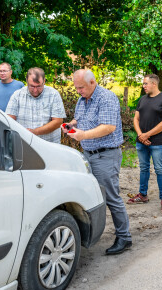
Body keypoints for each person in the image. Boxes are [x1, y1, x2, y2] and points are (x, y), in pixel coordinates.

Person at [63, 69, 132, 255]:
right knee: (91, 194)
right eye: (76, 87)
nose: (78, 91)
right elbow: (81, 118)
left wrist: (83, 135)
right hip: (88, 153)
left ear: (93, 82)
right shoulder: (82, 98)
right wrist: (72, 124)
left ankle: (124, 237)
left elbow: (109, 126)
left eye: (81, 88)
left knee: (110, 196)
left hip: (105, 155)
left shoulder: (106, 98)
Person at [127, 74, 162, 214]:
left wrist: (148, 135)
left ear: (154, 84)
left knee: (159, 169)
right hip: (141, 142)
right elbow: (136, 119)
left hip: (157, 142)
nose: (144, 86)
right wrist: (141, 135)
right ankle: (143, 194)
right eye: (143, 84)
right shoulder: (142, 99)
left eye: (146, 83)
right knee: (143, 168)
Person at [6, 67, 65, 143]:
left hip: (49, 145)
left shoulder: (53, 94)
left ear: (44, 81)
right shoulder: (17, 95)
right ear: (27, 81)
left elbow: (58, 121)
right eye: (32, 86)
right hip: (24, 144)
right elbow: (9, 120)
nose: (35, 90)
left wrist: (35, 132)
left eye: (39, 86)